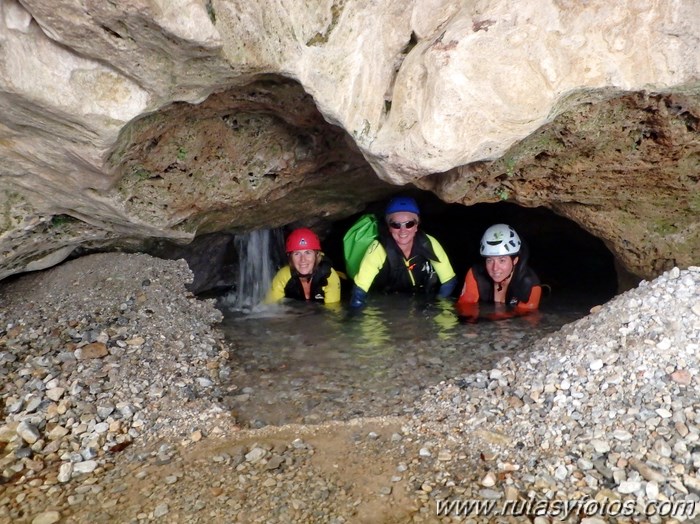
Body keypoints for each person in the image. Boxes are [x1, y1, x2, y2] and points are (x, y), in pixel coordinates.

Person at [349, 196, 457, 308]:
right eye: (396, 225)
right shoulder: (378, 249)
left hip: (421, 299)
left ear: (417, 225)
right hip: (385, 300)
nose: (403, 230)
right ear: (389, 227)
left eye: (409, 224)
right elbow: (360, 290)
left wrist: (440, 307)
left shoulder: (429, 243)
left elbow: (448, 280)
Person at [456, 223, 541, 320]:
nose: (495, 268)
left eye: (502, 260)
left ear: (515, 260)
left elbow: (525, 322)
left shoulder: (530, 285)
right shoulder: (475, 275)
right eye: (489, 260)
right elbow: (465, 311)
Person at [264, 228, 341, 305]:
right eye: (297, 254)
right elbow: (268, 307)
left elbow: (332, 313)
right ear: (290, 257)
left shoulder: (329, 276)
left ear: (316, 255)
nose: (303, 260)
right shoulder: (284, 276)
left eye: (308, 253)